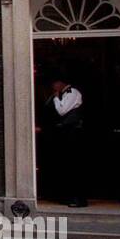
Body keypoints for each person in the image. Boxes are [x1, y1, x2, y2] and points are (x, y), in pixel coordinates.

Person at [46, 78, 86, 208]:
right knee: (66, 164)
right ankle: (67, 197)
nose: (53, 86)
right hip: (66, 134)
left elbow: (62, 111)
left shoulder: (73, 92)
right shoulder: (63, 94)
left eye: (54, 83)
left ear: (60, 83)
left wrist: (56, 98)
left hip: (74, 134)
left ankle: (79, 199)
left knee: (75, 165)